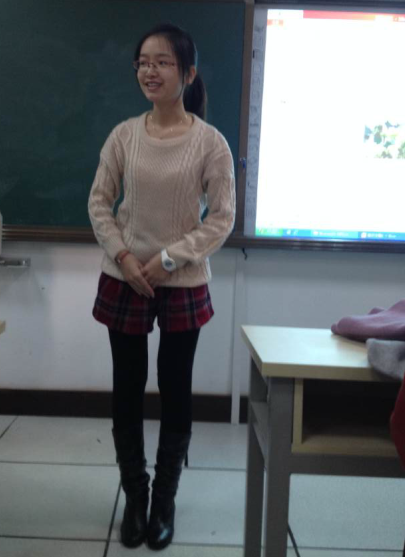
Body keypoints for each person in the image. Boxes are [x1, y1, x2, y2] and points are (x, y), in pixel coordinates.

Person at [88, 23, 236, 551]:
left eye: (163, 62)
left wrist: (169, 258)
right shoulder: (123, 136)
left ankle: (164, 501)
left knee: (175, 389)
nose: (150, 71)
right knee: (126, 389)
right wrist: (124, 256)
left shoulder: (210, 142)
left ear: (188, 73)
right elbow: (99, 203)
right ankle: (136, 495)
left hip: (182, 279)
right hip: (125, 276)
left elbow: (222, 219)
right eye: (143, 62)